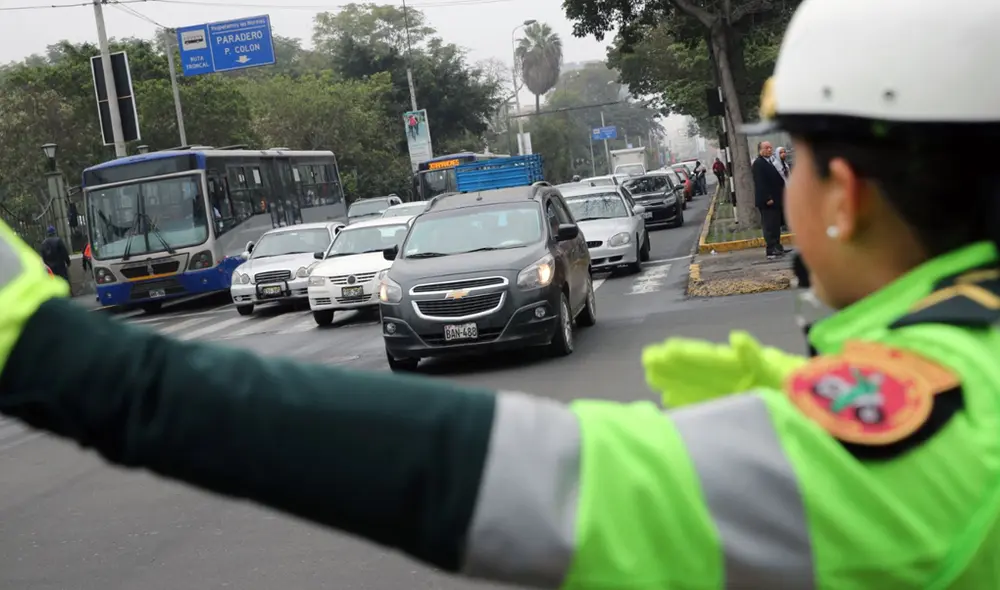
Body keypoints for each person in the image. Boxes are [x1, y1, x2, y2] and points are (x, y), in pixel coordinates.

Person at [3, 0, 1000, 585]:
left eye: (797, 158)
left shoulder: (924, 440)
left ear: (846, 195)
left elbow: (502, 476)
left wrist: (55, 353)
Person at [752, 141, 787, 259]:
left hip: (776, 200)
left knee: (776, 225)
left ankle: (777, 246)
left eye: (770, 147)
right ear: (760, 150)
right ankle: (771, 249)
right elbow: (760, 183)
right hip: (768, 201)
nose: (769, 150)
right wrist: (767, 198)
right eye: (766, 148)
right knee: (769, 225)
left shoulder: (771, 162)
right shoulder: (758, 163)